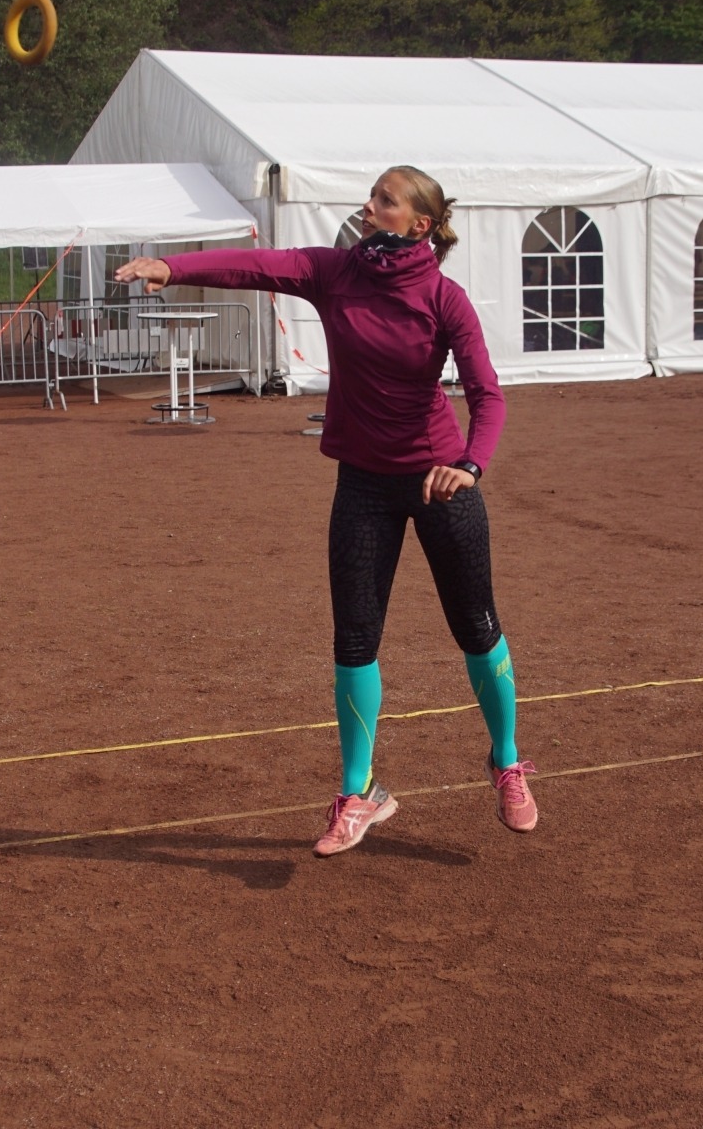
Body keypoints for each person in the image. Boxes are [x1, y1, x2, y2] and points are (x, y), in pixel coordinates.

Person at [114, 165, 537, 858]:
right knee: (354, 641)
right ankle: (359, 790)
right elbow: (255, 266)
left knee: (476, 627)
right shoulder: (337, 272)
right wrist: (171, 266)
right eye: (371, 195)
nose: (367, 207)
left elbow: (487, 396)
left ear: (419, 224)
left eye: (383, 200)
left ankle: (507, 761)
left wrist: (469, 466)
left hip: (439, 482)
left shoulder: (444, 299)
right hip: (364, 485)